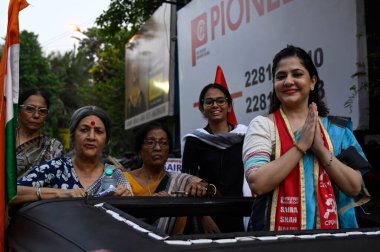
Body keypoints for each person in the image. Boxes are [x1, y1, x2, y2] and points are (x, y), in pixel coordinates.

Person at [243, 45, 370, 231]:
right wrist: (300, 146)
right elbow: (258, 183)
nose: (288, 81)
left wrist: (320, 148)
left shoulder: (337, 130)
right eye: (280, 76)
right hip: (272, 242)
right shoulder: (262, 126)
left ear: (312, 81)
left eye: (297, 74)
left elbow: (354, 187)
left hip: (331, 240)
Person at [14, 106, 131, 203]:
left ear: (106, 140)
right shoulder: (56, 168)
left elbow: (132, 217)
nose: (91, 137)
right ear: (73, 136)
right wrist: (58, 193)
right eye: (84, 130)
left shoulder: (116, 175)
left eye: (98, 131)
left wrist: (126, 200)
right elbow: (10, 194)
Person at [124, 122, 217, 235]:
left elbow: (215, 193)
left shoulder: (180, 181)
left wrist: (204, 194)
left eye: (163, 143)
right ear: (139, 149)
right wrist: (148, 207)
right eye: (150, 142)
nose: (157, 148)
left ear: (169, 150)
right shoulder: (123, 180)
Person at [182, 83, 247, 233]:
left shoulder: (245, 137)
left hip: (242, 211)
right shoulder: (194, 141)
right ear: (202, 108)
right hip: (208, 213)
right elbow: (188, 182)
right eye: (209, 102)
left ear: (229, 106)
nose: (215, 105)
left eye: (220, 101)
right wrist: (204, 216)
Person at [16, 88, 65, 178]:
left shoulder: (53, 148)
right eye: (30, 109)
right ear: (19, 110)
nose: (36, 115)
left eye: (42, 111)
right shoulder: (4, 139)